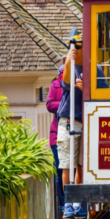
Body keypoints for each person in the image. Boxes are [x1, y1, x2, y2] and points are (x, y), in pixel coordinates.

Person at [59, 30, 85, 219]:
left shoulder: (94, 68)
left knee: (81, 165)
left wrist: (87, 89)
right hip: (69, 119)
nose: (77, 48)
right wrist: (69, 60)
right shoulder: (66, 67)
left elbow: (103, 91)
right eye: (74, 44)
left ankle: (78, 202)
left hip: (87, 121)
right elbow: (66, 82)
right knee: (67, 164)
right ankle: (68, 203)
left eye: (80, 44)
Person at [46, 65, 65, 205]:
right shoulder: (56, 85)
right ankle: (63, 202)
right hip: (57, 134)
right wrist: (66, 104)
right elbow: (49, 104)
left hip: (74, 131)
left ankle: (71, 201)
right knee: (59, 169)